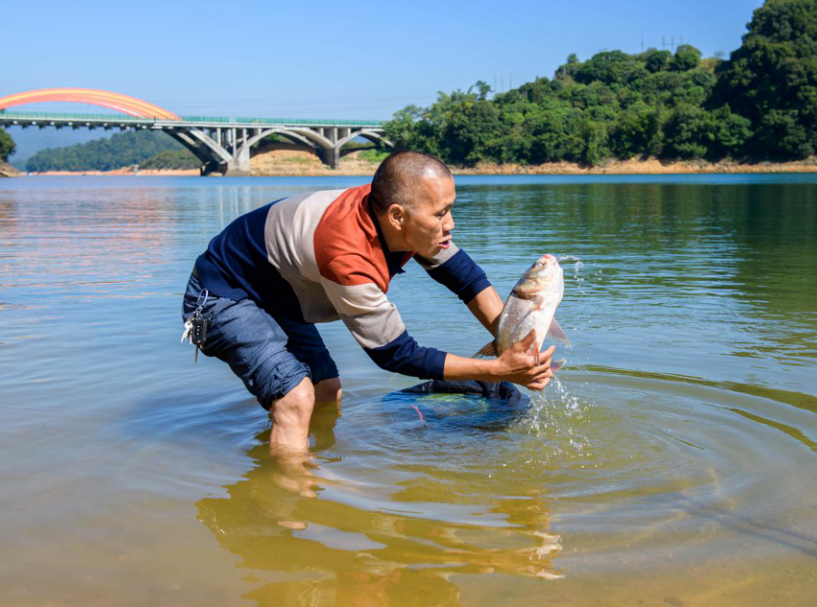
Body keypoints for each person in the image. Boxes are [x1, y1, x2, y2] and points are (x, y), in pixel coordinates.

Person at [182, 151, 554, 453]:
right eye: (441, 213)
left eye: (450, 208)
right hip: (223, 294)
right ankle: (291, 509)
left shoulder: (397, 209)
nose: (450, 224)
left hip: (278, 292)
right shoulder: (347, 253)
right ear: (397, 216)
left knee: (327, 391)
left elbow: (463, 277)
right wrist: (498, 370)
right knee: (295, 398)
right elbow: (396, 354)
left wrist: (518, 346)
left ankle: (300, 457)